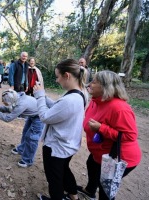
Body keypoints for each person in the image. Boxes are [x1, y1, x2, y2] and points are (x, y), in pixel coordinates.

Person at [77, 70, 142, 200]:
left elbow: (130, 136)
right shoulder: (96, 101)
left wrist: (102, 128)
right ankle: (90, 191)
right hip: (101, 153)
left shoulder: (120, 108)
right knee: (92, 164)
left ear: (106, 86)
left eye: (94, 81)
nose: (90, 84)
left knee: (105, 189)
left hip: (118, 157)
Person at [34, 59, 88, 200]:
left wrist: (39, 97)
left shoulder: (70, 100)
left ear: (67, 75)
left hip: (57, 147)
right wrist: (44, 97)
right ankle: (73, 196)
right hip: (68, 144)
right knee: (64, 171)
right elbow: (59, 109)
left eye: (58, 77)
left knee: (54, 179)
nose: (57, 80)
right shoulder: (80, 93)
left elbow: (45, 117)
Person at [0, 89, 43, 168]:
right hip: (33, 116)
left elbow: (8, 118)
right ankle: (22, 149)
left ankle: (27, 160)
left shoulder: (21, 104)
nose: (3, 102)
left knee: (31, 138)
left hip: (40, 118)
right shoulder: (17, 97)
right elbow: (11, 109)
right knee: (25, 133)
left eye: (4, 101)